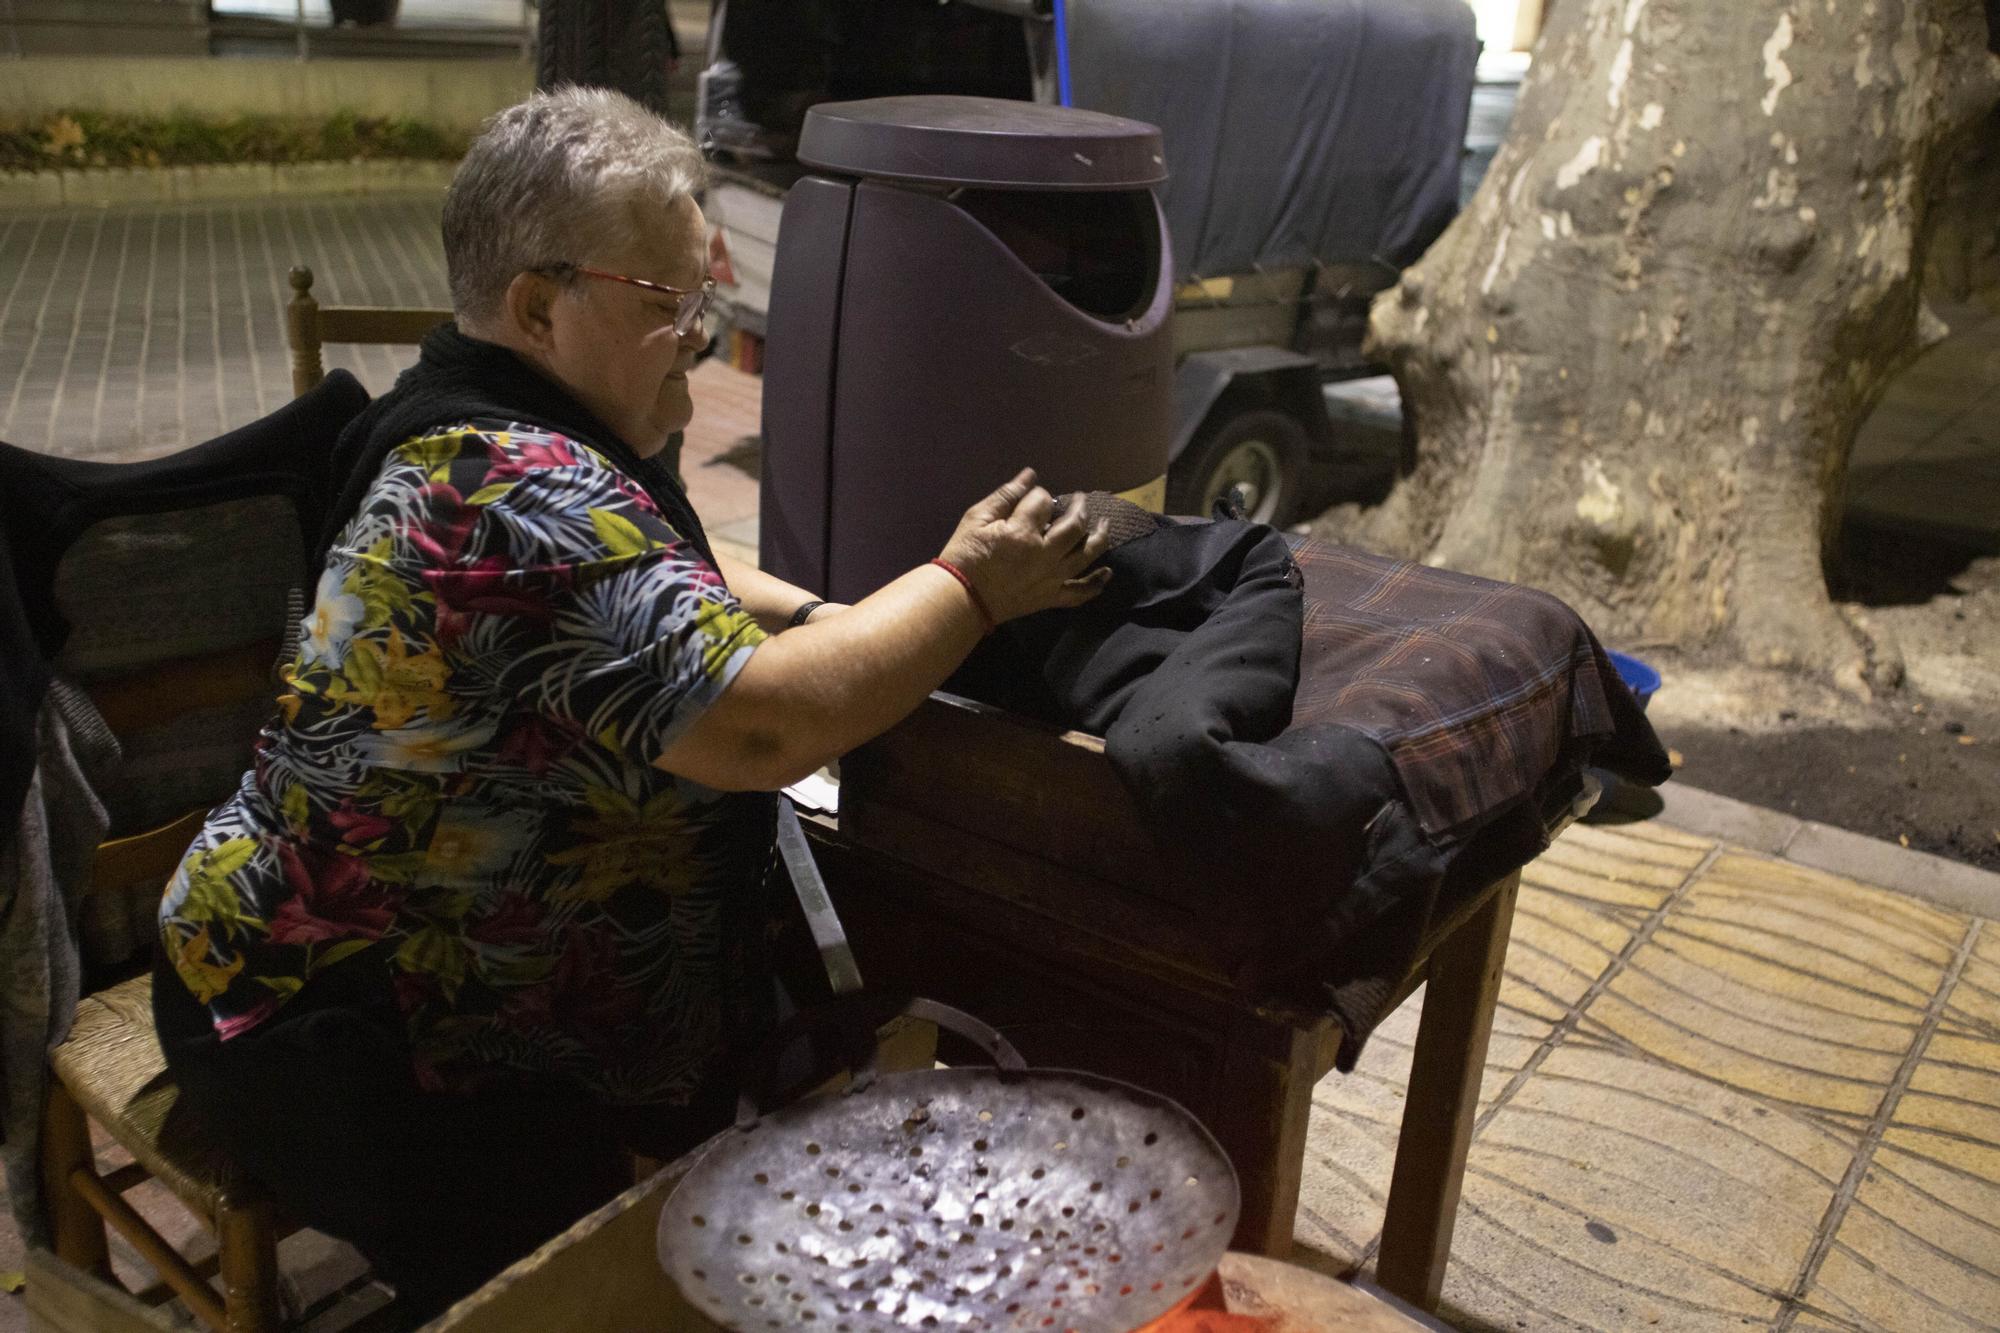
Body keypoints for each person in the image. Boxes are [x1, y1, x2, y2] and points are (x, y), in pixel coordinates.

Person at [152, 86, 1112, 1325]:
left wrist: (828, 619)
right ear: (540, 307)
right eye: (668, 304)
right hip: (324, 1021)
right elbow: (766, 727)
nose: (699, 336)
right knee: (598, 1288)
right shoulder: (505, 492)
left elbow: (676, 570)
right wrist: (969, 585)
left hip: (436, 991)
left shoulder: (524, 434)